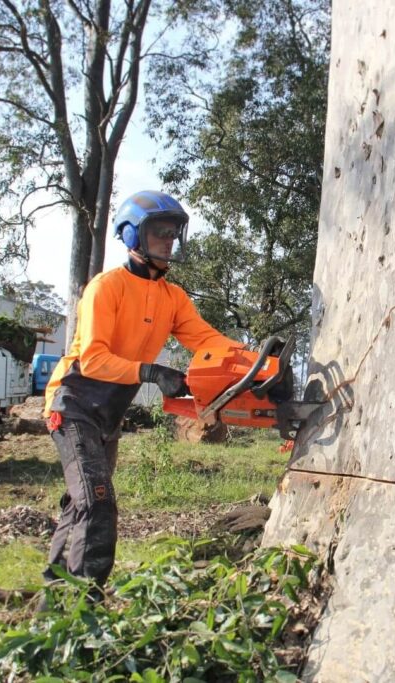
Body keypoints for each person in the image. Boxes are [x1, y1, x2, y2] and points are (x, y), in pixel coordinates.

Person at [41, 190, 241, 595]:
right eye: (160, 232)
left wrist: (252, 362)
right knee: (98, 502)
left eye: (173, 233)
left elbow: (207, 339)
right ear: (134, 235)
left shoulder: (172, 297)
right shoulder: (105, 288)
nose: (168, 240)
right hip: (74, 402)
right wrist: (151, 371)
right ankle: (84, 605)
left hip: (108, 414)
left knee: (82, 503)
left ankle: (56, 598)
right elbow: (93, 359)